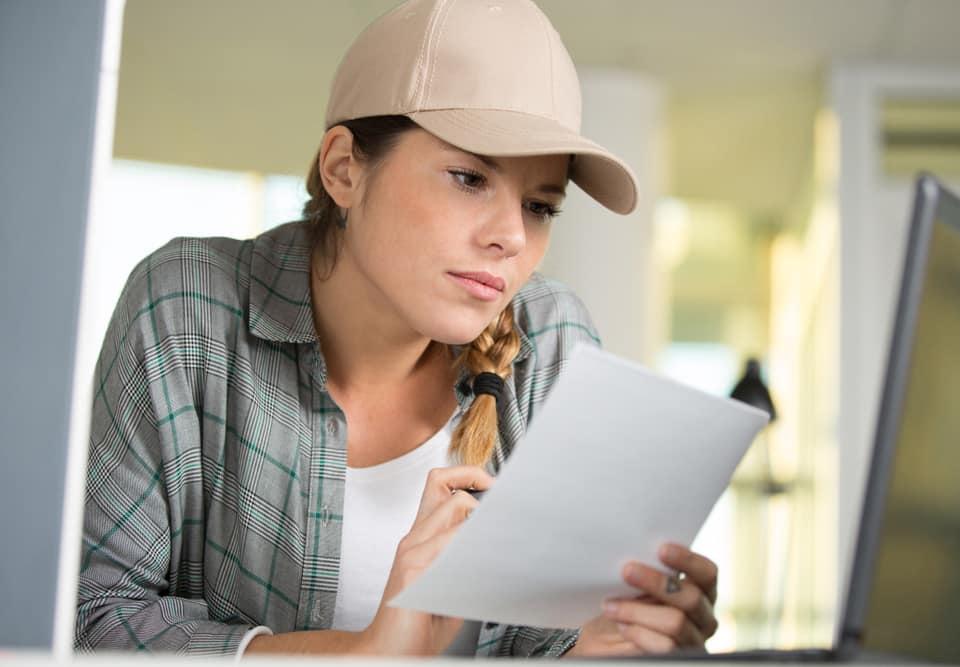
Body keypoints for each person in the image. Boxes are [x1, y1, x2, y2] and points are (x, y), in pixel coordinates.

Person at [76, 0, 719, 657]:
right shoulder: (188, 308)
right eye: (470, 177)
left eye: (539, 205)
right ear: (344, 169)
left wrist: (617, 641)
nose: (510, 237)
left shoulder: (552, 342)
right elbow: (94, 618)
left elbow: (550, 639)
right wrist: (364, 653)